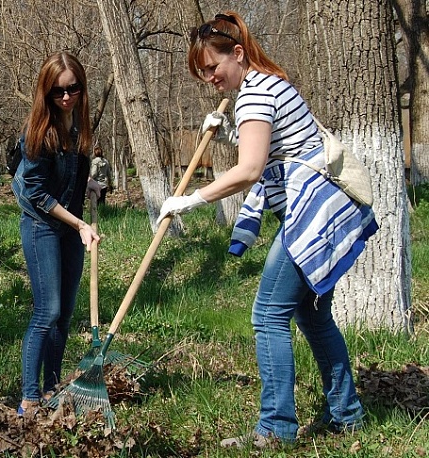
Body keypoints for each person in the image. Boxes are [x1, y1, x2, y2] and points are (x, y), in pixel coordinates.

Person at [157, 11, 379, 447]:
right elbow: (276, 145)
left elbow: (251, 169)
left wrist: (190, 199)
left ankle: (276, 428)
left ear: (237, 54)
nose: (209, 79)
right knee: (313, 316)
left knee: (267, 314)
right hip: (327, 209)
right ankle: (348, 414)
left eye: (212, 67)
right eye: (202, 72)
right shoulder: (266, 83)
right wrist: (223, 136)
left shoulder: (256, 93)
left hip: (312, 214)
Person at [11, 51, 101, 415]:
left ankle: (52, 387)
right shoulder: (38, 132)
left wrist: (88, 182)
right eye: (58, 92)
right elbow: (36, 191)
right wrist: (79, 224)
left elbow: (65, 178)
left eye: (73, 89)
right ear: (46, 93)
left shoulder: (80, 125)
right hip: (42, 226)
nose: (66, 97)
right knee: (46, 312)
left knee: (64, 314)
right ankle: (29, 396)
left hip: (69, 226)